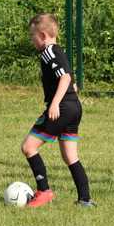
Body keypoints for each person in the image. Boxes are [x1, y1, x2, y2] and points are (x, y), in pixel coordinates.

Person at [21, 13, 95, 208]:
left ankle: (44, 191)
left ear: (43, 35)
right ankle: (85, 198)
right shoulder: (57, 50)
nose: (32, 40)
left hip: (62, 107)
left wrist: (54, 104)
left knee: (29, 147)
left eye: (32, 36)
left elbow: (65, 78)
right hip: (73, 106)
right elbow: (68, 77)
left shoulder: (49, 51)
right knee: (70, 156)